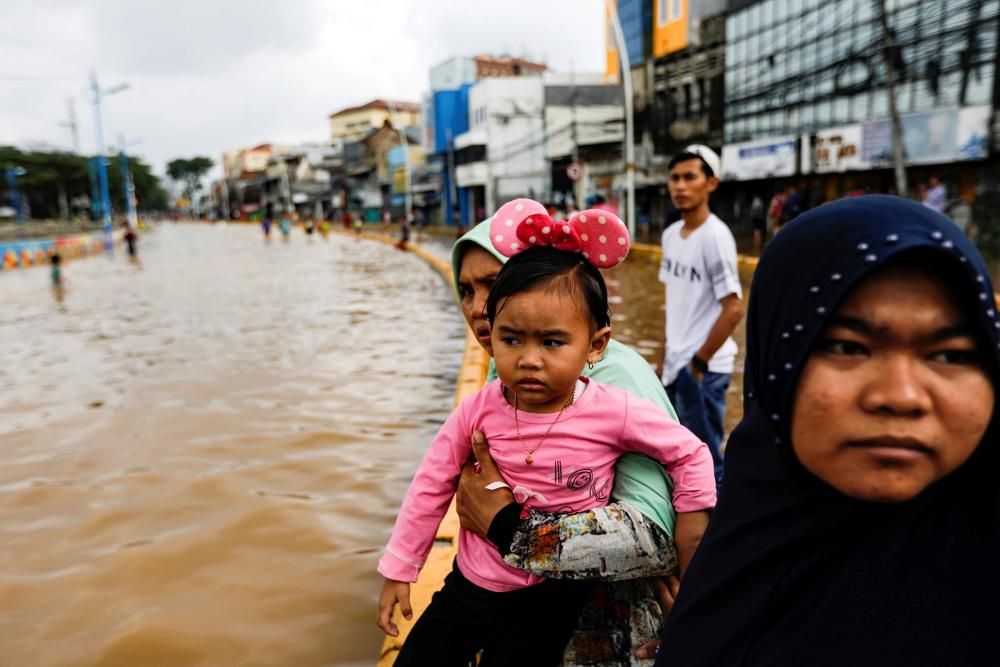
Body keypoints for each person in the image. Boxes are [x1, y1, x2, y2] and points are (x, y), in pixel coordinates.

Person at [654, 195, 1000, 666]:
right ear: (776, 361)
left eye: (949, 355)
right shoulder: (722, 573)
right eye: (847, 346)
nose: (901, 396)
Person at [378, 201, 716, 666]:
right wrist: (402, 565)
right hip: (486, 588)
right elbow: (432, 478)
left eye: (492, 286)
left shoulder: (614, 386)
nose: (477, 308)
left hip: (598, 629)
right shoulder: (499, 387)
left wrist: (505, 526)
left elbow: (655, 537)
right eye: (465, 290)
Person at [657, 145, 744, 485]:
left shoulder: (716, 236)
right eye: (675, 178)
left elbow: (733, 308)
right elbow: (674, 303)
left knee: (707, 460)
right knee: (677, 456)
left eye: (689, 177)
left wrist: (698, 364)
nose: (680, 186)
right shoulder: (670, 235)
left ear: (711, 183)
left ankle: (715, 533)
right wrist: (664, 360)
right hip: (677, 366)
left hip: (702, 371)